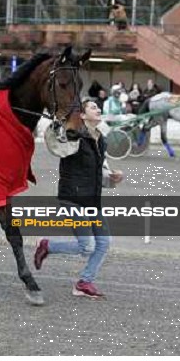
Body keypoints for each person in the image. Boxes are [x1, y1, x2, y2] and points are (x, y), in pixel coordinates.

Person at [34, 98, 124, 298]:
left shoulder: (101, 139)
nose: (98, 109)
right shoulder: (73, 136)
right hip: (73, 198)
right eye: (93, 107)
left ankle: (84, 282)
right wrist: (61, 121)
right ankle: (47, 245)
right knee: (87, 246)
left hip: (93, 200)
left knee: (103, 242)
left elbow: (100, 171)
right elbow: (55, 141)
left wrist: (113, 178)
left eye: (97, 107)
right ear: (82, 115)